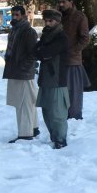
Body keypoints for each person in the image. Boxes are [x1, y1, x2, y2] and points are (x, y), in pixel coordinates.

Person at [2, 5, 40, 143]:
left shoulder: (28, 31)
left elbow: (32, 54)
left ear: (24, 15)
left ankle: (25, 133)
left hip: (22, 71)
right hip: (17, 70)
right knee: (29, 101)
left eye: (17, 15)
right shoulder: (15, 30)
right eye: (13, 14)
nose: (14, 17)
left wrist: (23, 67)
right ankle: (34, 128)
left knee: (23, 103)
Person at [34, 9, 70, 149]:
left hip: (57, 81)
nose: (48, 23)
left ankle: (61, 139)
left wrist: (41, 52)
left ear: (57, 21)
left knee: (58, 113)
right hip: (45, 79)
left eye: (51, 21)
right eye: (46, 20)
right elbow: (35, 51)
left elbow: (44, 53)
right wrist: (40, 52)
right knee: (47, 112)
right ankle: (54, 138)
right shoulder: (46, 35)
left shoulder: (62, 37)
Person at [57, 0, 90, 120]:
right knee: (61, 91)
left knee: (74, 92)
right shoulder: (59, 16)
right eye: (60, 2)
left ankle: (75, 117)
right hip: (59, 61)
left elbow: (85, 39)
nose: (61, 4)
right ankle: (63, 115)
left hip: (72, 61)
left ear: (71, 2)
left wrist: (72, 51)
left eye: (64, 2)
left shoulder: (80, 17)